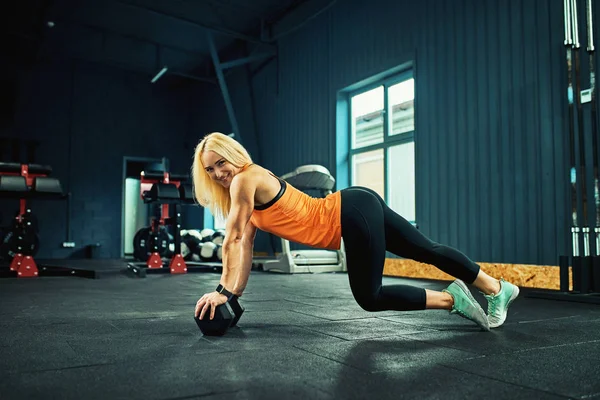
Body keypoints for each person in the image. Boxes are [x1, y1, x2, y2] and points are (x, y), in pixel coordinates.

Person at [192, 132, 519, 331]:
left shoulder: (245, 179)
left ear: (234, 156)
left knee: (370, 296)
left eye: (222, 162)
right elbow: (244, 245)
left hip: (350, 213)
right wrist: (233, 293)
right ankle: (495, 288)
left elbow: (231, 239)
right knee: (425, 250)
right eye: (210, 169)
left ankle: (453, 300)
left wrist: (222, 291)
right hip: (355, 204)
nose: (219, 173)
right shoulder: (245, 188)